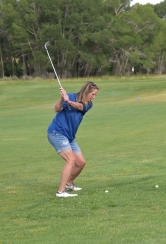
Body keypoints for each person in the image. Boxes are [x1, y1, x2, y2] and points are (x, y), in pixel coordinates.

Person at [47, 81, 99, 197]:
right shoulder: (70, 95)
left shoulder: (88, 104)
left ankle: (68, 184)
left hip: (69, 136)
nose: (94, 97)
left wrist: (68, 101)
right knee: (71, 160)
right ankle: (60, 192)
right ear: (87, 92)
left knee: (81, 162)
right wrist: (62, 98)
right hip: (57, 132)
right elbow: (57, 109)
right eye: (93, 94)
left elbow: (80, 106)